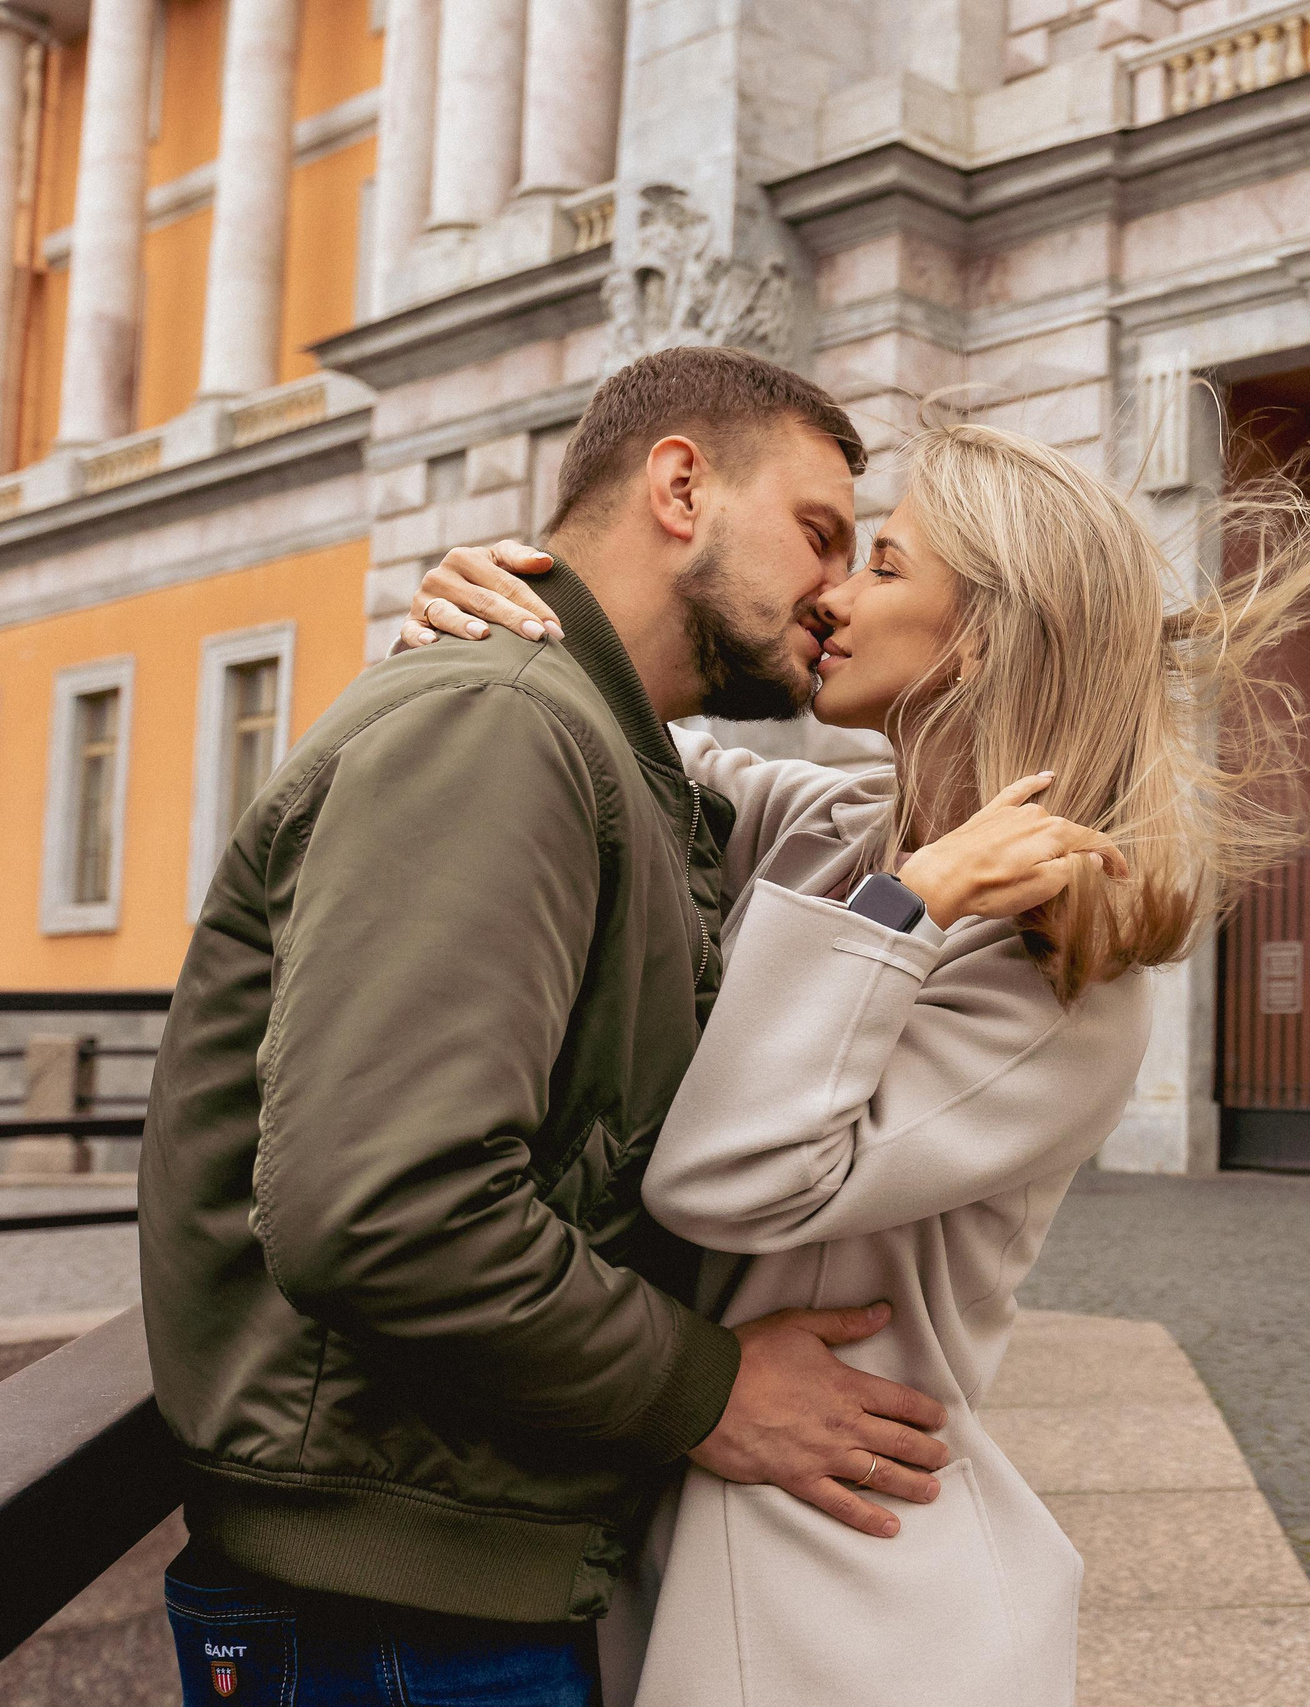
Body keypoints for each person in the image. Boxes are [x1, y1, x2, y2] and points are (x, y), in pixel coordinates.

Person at [403, 413, 1310, 1704]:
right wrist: (496, 590)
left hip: (846, 1595)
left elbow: (724, 1181)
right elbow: (606, 727)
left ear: (983, 636)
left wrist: (901, 913)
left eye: (886, 567)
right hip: (717, 1526)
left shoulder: (1060, 982)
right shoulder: (837, 819)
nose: (832, 598)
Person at [137, 348, 1103, 1707]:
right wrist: (709, 1390)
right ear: (682, 485)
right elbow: (385, 1209)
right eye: (826, 537)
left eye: (873, 563)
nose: (831, 592)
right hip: (395, 1600)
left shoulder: (616, 755)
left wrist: (525, 594)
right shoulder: (504, 722)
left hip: (471, 1567)